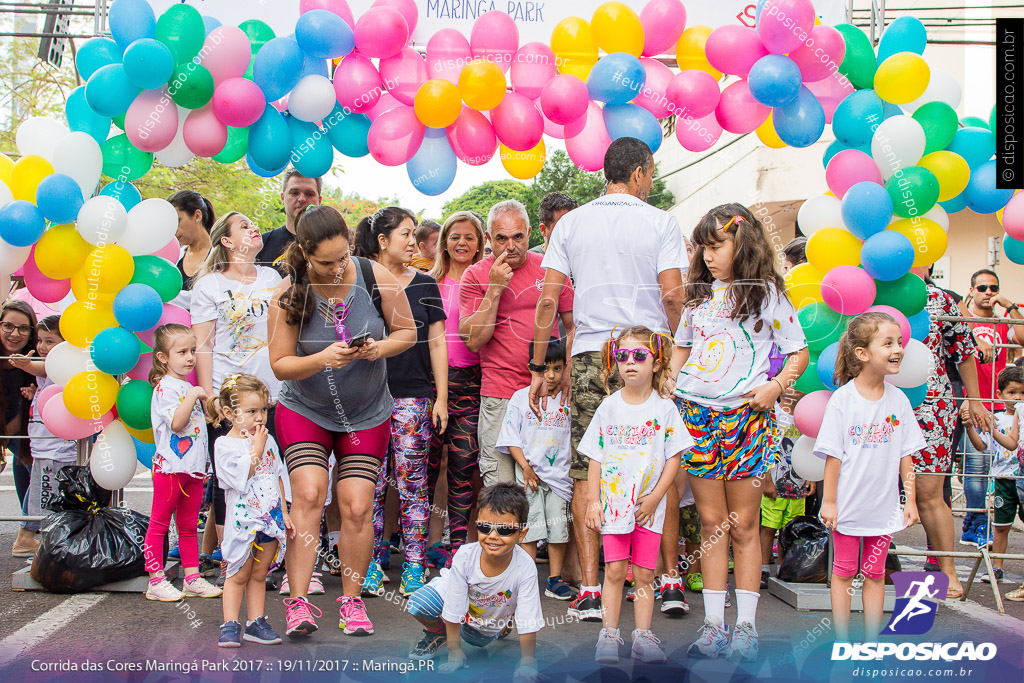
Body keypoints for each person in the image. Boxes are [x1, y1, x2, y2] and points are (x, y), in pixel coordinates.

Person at [530, 138, 685, 623]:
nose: (652, 181)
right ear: (640, 173)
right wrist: (678, 357)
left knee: (587, 465)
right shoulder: (660, 221)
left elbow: (548, 300)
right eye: (652, 174)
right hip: (650, 352)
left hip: (591, 356)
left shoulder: (571, 222)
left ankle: (593, 589)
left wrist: (539, 368)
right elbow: (675, 297)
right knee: (660, 458)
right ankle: (669, 579)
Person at [666, 204, 808, 661]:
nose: (708, 255)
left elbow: (797, 354)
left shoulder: (767, 294)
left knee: (745, 524)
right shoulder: (698, 298)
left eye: (717, 244)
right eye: (703, 246)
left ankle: (745, 626)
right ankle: (713, 626)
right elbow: (682, 351)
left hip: (749, 418)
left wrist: (776, 386)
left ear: (742, 243)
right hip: (697, 418)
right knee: (711, 524)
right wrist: (669, 384)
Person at [268, 205, 416, 638]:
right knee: (310, 495)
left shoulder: (375, 276)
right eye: (325, 263)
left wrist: (378, 350)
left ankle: (351, 601)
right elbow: (280, 365)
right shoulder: (288, 292)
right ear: (305, 254)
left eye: (342, 258)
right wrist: (321, 358)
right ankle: (299, 603)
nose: (336, 269)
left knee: (355, 505)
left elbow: (407, 333)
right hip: (306, 410)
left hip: (365, 412)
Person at [580, 326, 691, 665]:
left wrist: (658, 497)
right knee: (613, 571)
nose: (630, 363)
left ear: (656, 363)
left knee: (644, 574)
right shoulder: (608, 407)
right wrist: (593, 501)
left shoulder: (665, 410)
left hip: (648, 509)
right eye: (622, 356)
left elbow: (674, 457)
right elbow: (595, 457)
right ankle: (609, 635)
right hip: (614, 507)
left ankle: (642, 635)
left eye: (639, 356)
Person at [353, 207, 449, 598]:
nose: (413, 242)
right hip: (365, 398)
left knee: (413, 485)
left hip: (413, 397)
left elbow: (439, 342)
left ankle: (414, 564)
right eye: (405, 235)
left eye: (414, 235)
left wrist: (441, 397)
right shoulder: (357, 281)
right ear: (382, 240)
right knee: (369, 486)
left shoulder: (425, 284)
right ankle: (370, 564)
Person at [815, 312, 923, 642]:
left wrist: (910, 501)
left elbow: (907, 457)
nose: (898, 349)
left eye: (900, 342)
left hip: (883, 509)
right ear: (862, 353)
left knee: (875, 573)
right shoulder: (843, 401)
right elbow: (834, 457)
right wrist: (830, 502)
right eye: (888, 343)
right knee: (844, 573)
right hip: (848, 508)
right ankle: (842, 640)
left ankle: (872, 641)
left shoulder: (899, 400)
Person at [192, 212, 284, 586]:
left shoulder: (272, 278)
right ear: (227, 241)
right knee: (230, 480)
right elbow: (203, 346)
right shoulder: (209, 285)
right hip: (228, 399)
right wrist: (210, 397)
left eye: (253, 223)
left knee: (270, 474)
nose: (253, 227)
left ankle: (266, 563)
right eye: (244, 225)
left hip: (273, 395)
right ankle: (232, 562)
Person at [460, 200, 574, 487]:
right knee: (500, 487)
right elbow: (474, 341)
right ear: (488, 239)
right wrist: (495, 288)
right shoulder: (475, 275)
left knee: (549, 486)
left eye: (518, 237)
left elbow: (574, 326)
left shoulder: (552, 268)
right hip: (500, 395)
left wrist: (568, 370)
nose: (511, 246)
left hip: (548, 392)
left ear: (529, 234)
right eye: (501, 238)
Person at [406, 483, 544, 683]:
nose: (493, 536)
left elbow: (529, 619)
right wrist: (455, 652)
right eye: (485, 527)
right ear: (477, 524)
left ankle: (504, 622)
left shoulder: (526, 567)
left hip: (486, 616)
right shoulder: (465, 556)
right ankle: (440, 634)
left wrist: (528, 664)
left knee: (477, 640)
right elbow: (453, 606)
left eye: (505, 530)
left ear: (521, 534)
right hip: (462, 602)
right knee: (419, 603)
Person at [915, 279, 990, 598]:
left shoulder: (939, 299)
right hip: (876, 400)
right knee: (869, 488)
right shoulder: (867, 291)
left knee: (929, 492)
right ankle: (869, 568)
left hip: (932, 402)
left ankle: (947, 571)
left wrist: (974, 399)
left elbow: (964, 351)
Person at [210, 374, 294, 648]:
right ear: (229, 413)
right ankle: (230, 623)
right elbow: (239, 478)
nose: (260, 418)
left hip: (269, 522)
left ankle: (256, 622)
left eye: (263, 410)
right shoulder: (224, 445)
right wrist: (255, 449)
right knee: (238, 574)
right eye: (251, 411)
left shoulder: (268, 441)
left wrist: (285, 512)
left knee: (260, 575)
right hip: (242, 524)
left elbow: (279, 477)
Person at [144, 324, 222, 602]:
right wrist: (193, 396)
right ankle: (155, 579)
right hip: (171, 469)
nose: (190, 358)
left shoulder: (186, 386)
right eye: (182, 352)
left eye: (192, 351)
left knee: (188, 526)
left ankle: (192, 577)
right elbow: (177, 424)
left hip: (194, 469)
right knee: (160, 524)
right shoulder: (165, 388)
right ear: (163, 357)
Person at [495, 338, 574, 600]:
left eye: (557, 368)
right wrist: (526, 468)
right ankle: (527, 578)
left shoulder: (566, 398)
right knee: (531, 527)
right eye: (543, 369)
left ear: (566, 368)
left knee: (558, 527)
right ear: (532, 367)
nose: (550, 375)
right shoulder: (520, 398)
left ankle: (555, 578)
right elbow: (511, 438)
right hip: (529, 475)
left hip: (560, 478)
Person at [427, 212, 485, 568]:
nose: (462, 243)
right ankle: (427, 544)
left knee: (464, 465)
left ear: (479, 243)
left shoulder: (486, 281)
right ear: (444, 241)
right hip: (433, 384)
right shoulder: (429, 282)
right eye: (455, 236)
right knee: (429, 465)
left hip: (473, 382)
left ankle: (459, 548)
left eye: (469, 237)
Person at [11, 317, 73, 545]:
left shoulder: (58, 367)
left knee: (48, 503)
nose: (42, 347)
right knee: (43, 500)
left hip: (54, 451)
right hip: (43, 449)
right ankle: (48, 546)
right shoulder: (49, 370)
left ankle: (50, 548)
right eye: (39, 340)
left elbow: (43, 367)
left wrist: (24, 364)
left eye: (50, 341)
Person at [963, 366, 1022, 583]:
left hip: (1022, 477)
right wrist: (970, 428)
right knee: (1001, 525)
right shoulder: (994, 418)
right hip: (1003, 479)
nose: (1017, 398)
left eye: (1022, 393)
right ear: (1000, 395)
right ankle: (997, 567)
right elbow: (981, 446)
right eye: (1012, 392)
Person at [760, 405, 815, 587]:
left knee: (790, 528)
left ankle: (784, 567)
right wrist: (766, 479)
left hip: (798, 484)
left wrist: (812, 475)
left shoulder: (807, 414)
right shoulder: (773, 413)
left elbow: (811, 447)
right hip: (774, 482)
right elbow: (762, 446)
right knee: (768, 526)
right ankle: (763, 568)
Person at [1, 300, 38, 556]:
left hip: (19, 428)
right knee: (35, 466)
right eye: (8, 326)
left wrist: (37, 391)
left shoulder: (34, 357)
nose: (15, 334)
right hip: (8, 427)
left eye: (23, 328)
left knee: (33, 464)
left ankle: (28, 533)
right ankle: (28, 533)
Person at [966, 269, 1022, 409]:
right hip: (969, 402)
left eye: (993, 288)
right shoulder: (963, 321)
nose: (988, 292)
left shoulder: (1003, 322)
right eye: (982, 288)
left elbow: (1022, 340)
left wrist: (1010, 306)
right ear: (972, 291)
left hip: (998, 403)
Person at [255, 170, 323, 272]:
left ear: (319, 200)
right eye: (295, 193)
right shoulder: (261, 244)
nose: (302, 199)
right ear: (283, 198)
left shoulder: (333, 243)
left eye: (309, 194)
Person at [168, 190, 215, 310]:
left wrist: (165, 295)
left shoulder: (222, 254)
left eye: (178, 220)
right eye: (170, 223)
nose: (173, 229)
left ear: (197, 216)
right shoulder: (175, 257)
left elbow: (211, 297)